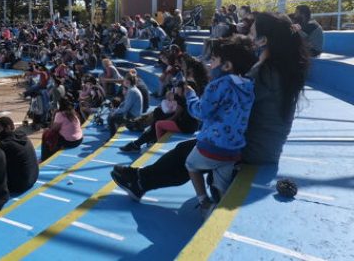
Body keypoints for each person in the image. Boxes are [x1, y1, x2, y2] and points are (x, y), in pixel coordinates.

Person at [111, 12, 309, 207]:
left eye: (252, 32)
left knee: (188, 154)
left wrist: (200, 88)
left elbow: (217, 104)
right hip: (264, 147)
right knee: (192, 149)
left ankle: (140, 181)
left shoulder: (263, 73)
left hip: (252, 150)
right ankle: (143, 179)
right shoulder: (281, 69)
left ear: (263, 40)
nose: (248, 35)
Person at [184, 36, 256, 213]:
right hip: (233, 149)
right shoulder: (248, 86)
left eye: (214, 60)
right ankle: (217, 208)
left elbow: (201, 112)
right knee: (221, 189)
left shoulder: (218, 85)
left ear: (227, 66)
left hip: (212, 146)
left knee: (190, 165)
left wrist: (190, 96)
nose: (209, 64)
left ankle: (204, 202)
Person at [0, 116, 39, 194]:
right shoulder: (22, 136)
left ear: (7, 128)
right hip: (33, 177)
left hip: (19, 186)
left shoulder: (6, 145)